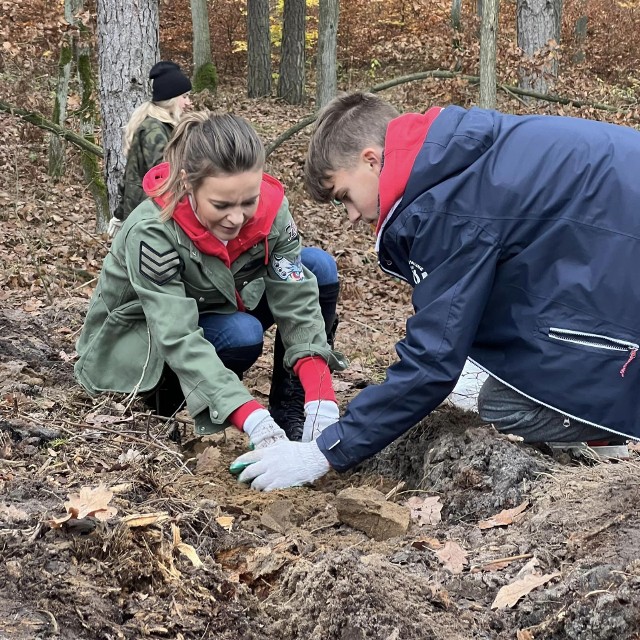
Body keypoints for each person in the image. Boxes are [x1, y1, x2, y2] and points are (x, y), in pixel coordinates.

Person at [230, 91, 640, 491]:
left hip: (622, 253)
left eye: (344, 197)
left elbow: (432, 363)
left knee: (504, 404)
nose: (352, 216)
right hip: (614, 243)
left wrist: (325, 452)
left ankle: (604, 425)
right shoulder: (454, 154)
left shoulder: (444, 206)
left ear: (370, 161)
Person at [76, 110, 346, 448]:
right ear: (188, 184)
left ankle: (293, 409)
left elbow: (296, 299)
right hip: (142, 341)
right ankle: (167, 398)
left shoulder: (273, 210)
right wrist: (249, 414)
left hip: (221, 303)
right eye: (221, 205)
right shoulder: (153, 229)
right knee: (241, 335)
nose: (237, 218)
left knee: (316, 267)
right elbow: (176, 333)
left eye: (249, 201)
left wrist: (321, 393)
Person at [108, 61, 193, 238]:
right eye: (184, 96)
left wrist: (119, 214)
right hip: (152, 221)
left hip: (150, 217)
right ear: (171, 98)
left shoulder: (163, 127)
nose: (188, 102)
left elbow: (130, 177)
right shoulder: (154, 131)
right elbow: (165, 178)